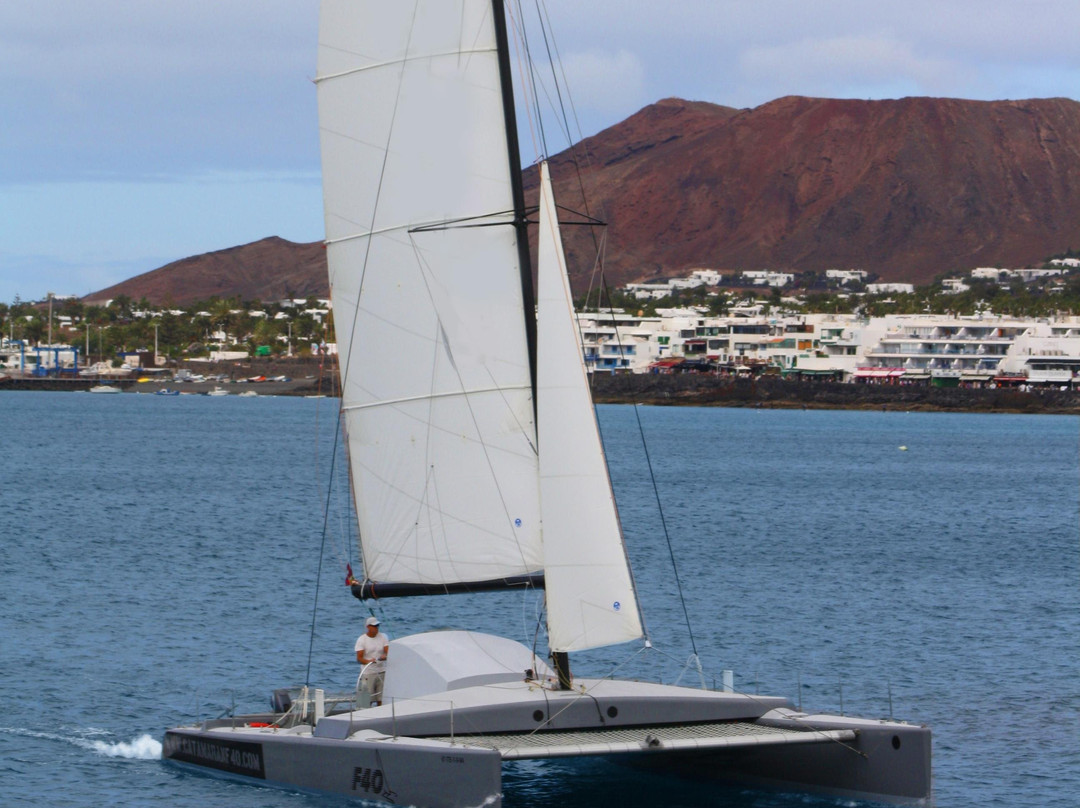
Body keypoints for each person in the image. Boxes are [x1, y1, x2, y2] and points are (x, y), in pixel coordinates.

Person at [355, 616, 389, 706]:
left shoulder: (383, 637)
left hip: (382, 671)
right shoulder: (362, 640)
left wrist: (385, 656)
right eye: (374, 626)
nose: (376, 628)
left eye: (377, 626)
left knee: (382, 698)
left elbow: (387, 651)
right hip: (368, 673)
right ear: (368, 627)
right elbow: (359, 658)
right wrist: (368, 661)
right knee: (365, 701)